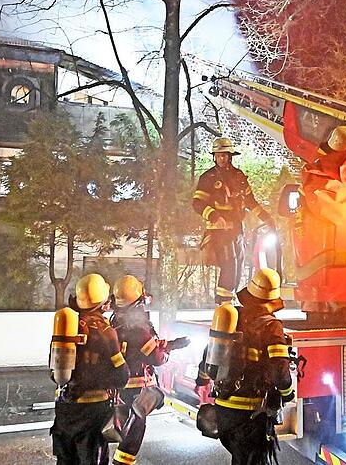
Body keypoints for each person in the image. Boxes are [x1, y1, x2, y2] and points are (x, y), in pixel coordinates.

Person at [196, 268, 295, 465]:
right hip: (249, 414)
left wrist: (202, 380)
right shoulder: (271, 326)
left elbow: (208, 355)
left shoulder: (232, 318)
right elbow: (279, 370)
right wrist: (288, 393)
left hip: (223, 411)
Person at [109, 275, 190, 465]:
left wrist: (167, 344)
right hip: (138, 388)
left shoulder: (114, 321)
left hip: (119, 387)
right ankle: (122, 462)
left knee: (127, 424)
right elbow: (156, 358)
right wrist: (170, 349)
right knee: (141, 419)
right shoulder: (139, 328)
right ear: (138, 300)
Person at [51, 274, 130, 465]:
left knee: (65, 460)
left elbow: (55, 374)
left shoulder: (67, 327)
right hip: (94, 412)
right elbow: (122, 377)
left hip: (65, 410)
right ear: (102, 301)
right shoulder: (105, 331)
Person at [193, 136, 275, 304]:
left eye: (224, 155)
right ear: (214, 156)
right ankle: (224, 303)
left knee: (239, 264)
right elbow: (197, 203)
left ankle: (230, 300)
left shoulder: (238, 177)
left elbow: (250, 202)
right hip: (219, 231)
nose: (221, 158)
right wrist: (215, 216)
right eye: (218, 155)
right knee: (229, 264)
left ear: (230, 156)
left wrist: (266, 217)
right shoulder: (208, 178)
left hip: (237, 228)